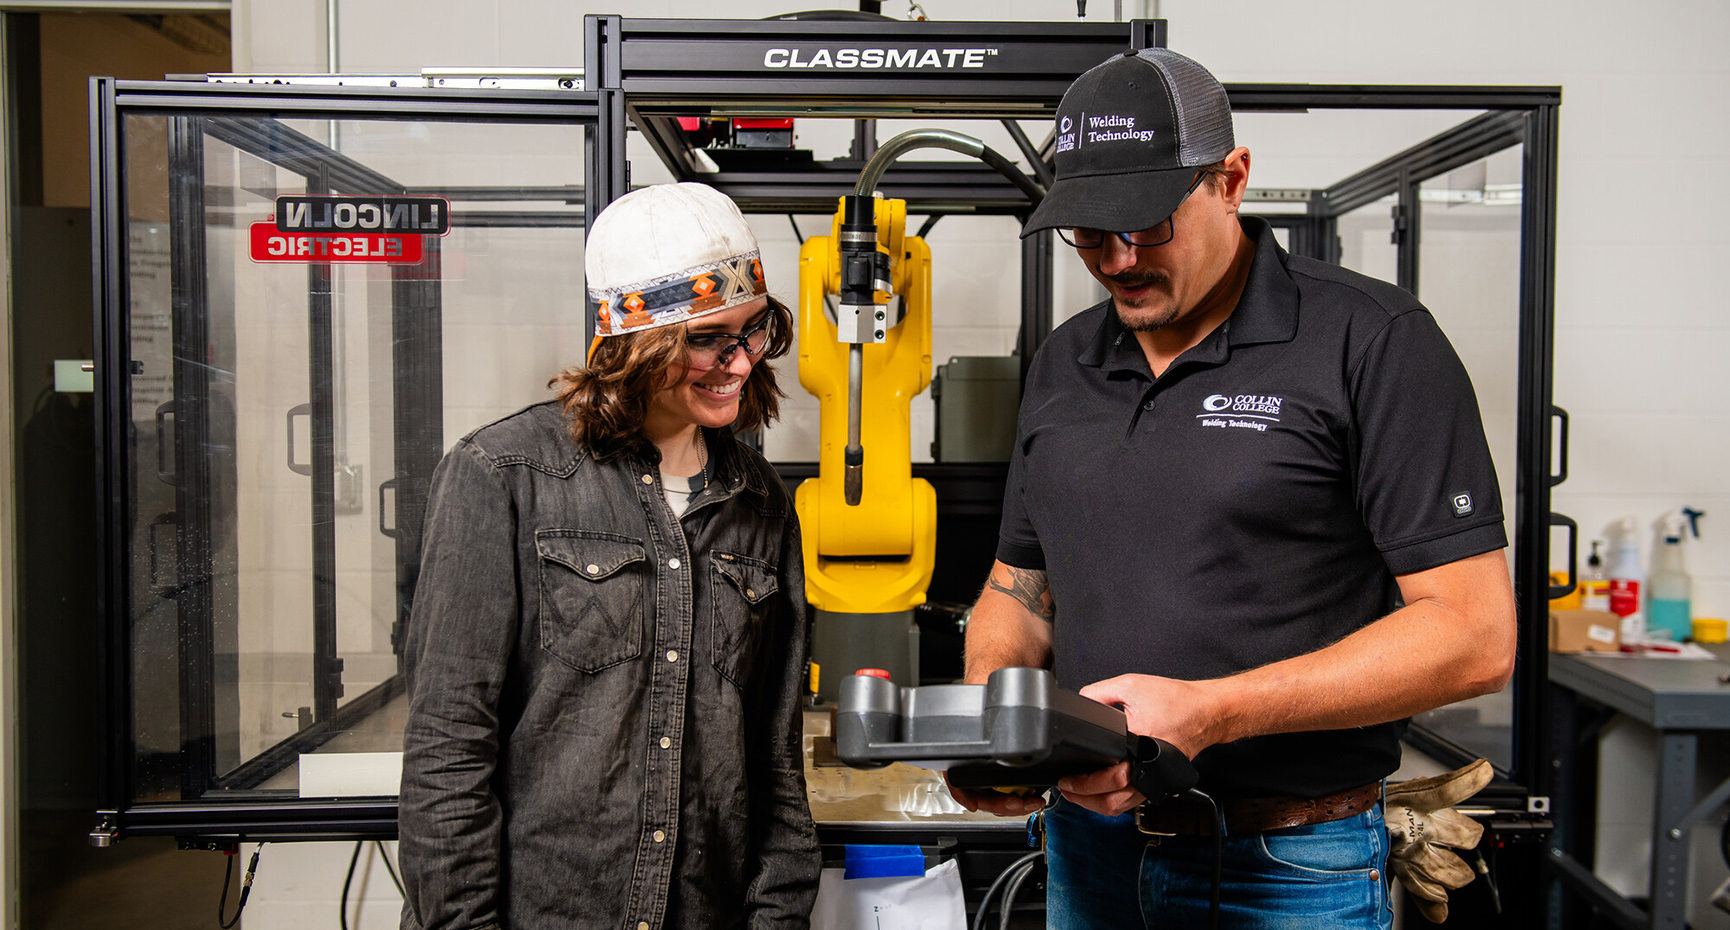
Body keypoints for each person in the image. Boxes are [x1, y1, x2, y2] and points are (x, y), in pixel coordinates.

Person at [947, 48, 1518, 929]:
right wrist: (1004, 722)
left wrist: (1215, 712)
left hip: (1289, 866)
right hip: (1090, 851)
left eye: (1147, 223)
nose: (1120, 259)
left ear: (1232, 179)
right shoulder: (1065, 360)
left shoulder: (1372, 341)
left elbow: (1475, 636)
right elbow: (1016, 591)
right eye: (1091, 232)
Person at [399, 182, 820, 930]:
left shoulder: (760, 502)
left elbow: (775, 758)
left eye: (753, 331)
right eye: (707, 338)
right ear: (633, 342)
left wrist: (776, 918)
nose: (741, 361)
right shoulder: (501, 475)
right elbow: (447, 750)